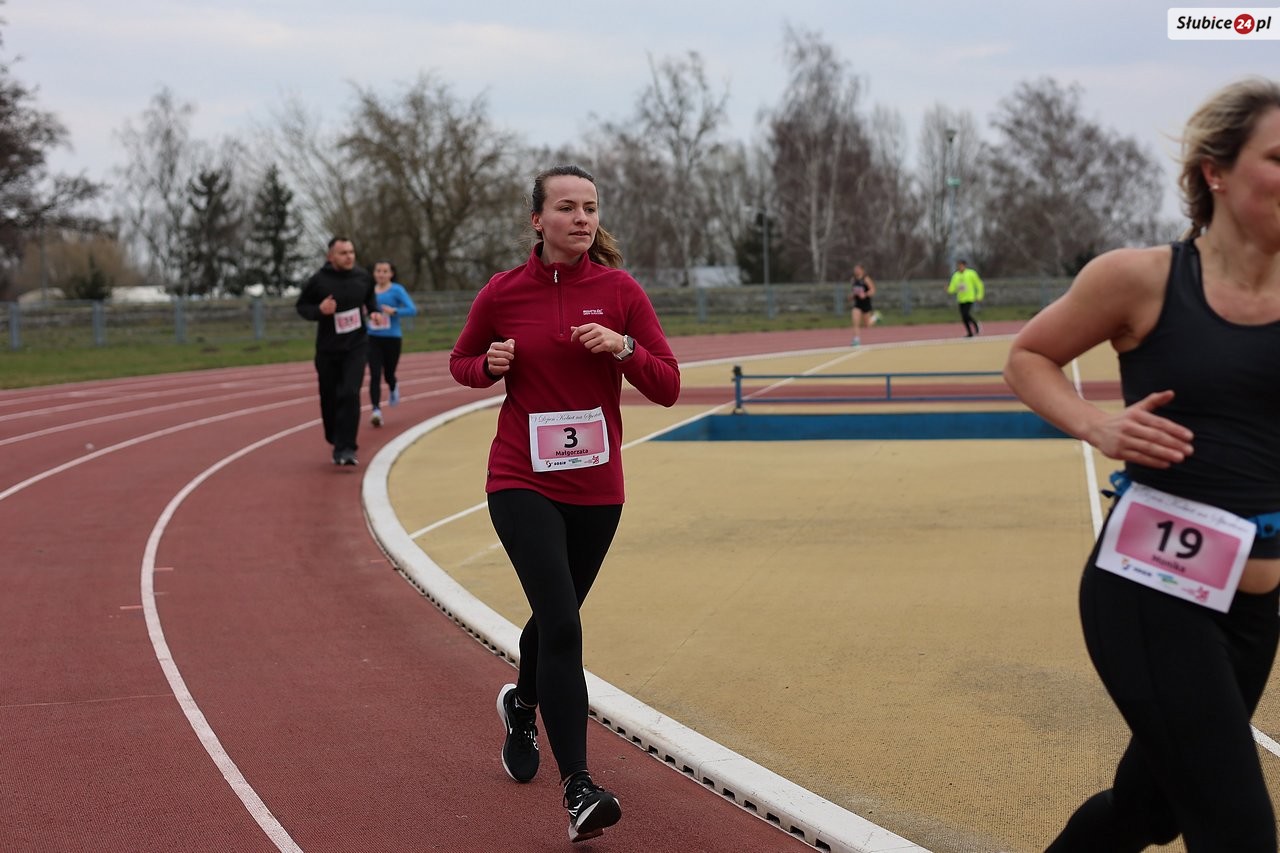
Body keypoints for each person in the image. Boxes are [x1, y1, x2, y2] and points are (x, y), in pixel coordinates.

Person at [1003, 77, 1280, 852]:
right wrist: (1097, 424)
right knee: (1239, 832)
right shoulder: (1142, 279)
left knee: (1148, 811)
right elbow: (1028, 357)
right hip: (1151, 584)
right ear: (1215, 170)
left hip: (1254, 607)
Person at [450, 165, 680, 844]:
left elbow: (668, 385)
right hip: (520, 478)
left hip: (597, 487)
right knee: (563, 624)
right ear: (538, 220)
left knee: (557, 618)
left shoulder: (620, 291)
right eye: (567, 207)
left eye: (590, 208)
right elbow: (461, 362)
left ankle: (523, 704)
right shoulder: (503, 292)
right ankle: (579, 786)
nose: (581, 218)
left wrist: (625, 347)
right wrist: (488, 365)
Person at [295, 237, 378, 466]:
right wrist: (319, 310)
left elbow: (370, 301)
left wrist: (374, 312)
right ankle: (335, 438)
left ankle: (347, 448)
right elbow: (302, 306)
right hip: (328, 349)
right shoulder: (318, 280)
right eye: (343, 253)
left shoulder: (363, 277)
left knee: (350, 393)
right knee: (330, 397)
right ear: (330, 256)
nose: (349, 256)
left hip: (356, 346)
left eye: (351, 252)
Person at [366, 260, 418, 427]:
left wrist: (394, 311)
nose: (381, 274)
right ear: (374, 273)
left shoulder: (397, 290)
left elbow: (412, 310)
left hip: (392, 338)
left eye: (385, 271)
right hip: (372, 337)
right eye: (378, 271)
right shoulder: (368, 290)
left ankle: (393, 385)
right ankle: (376, 411)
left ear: (391, 274)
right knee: (374, 374)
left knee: (389, 374)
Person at [947, 258, 984, 337]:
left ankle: (976, 325)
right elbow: (953, 288)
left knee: (966, 314)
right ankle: (969, 333)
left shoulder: (971, 273)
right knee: (964, 317)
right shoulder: (955, 275)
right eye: (958, 265)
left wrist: (979, 295)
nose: (960, 267)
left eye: (961, 265)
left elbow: (979, 284)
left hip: (969, 298)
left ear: (965, 265)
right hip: (961, 299)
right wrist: (948, 289)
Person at [847, 263, 880, 346]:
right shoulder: (853, 280)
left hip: (866, 303)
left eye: (858, 269)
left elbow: (873, 290)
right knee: (855, 322)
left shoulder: (866, 279)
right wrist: (851, 296)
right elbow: (854, 291)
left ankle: (876, 317)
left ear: (862, 270)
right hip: (857, 304)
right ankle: (856, 340)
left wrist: (865, 294)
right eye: (855, 269)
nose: (856, 271)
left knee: (867, 324)